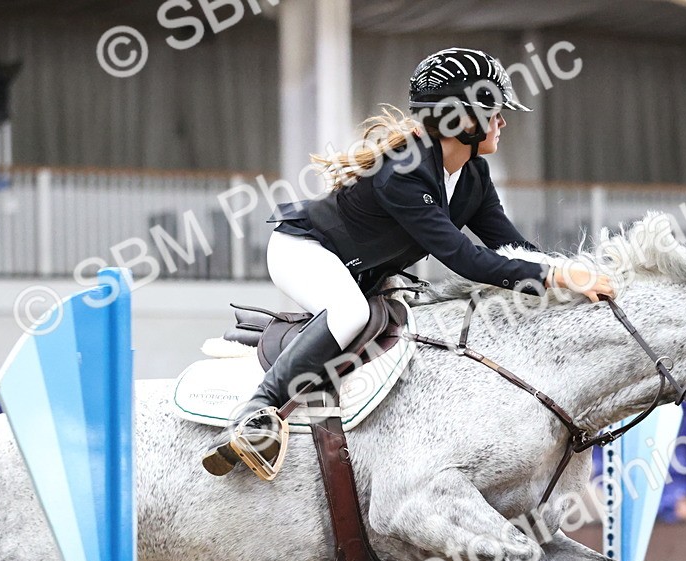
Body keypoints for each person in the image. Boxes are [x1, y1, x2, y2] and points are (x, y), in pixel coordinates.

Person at [202, 47, 615, 480]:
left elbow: (509, 245)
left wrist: (574, 276)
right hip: (301, 250)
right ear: (465, 119)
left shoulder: (472, 175)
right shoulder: (403, 171)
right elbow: (463, 258)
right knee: (350, 313)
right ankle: (255, 414)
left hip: (358, 268)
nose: (503, 121)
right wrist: (556, 276)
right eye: (494, 112)